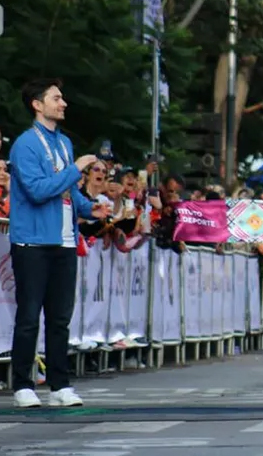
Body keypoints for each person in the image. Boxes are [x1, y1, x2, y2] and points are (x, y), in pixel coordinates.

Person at [8, 78, 109, 408]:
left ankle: (59, 384)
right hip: (33, 242)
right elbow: (38, 191)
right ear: (38, 104)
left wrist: (88, 208)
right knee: (28, 316)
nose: (63, 103)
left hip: (65, 241)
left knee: (60, 317)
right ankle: (23, 384)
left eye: (62, 97)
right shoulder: (25, 145)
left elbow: (68, 192)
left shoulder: (63, 143)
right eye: (56, 98)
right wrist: (76, 168)